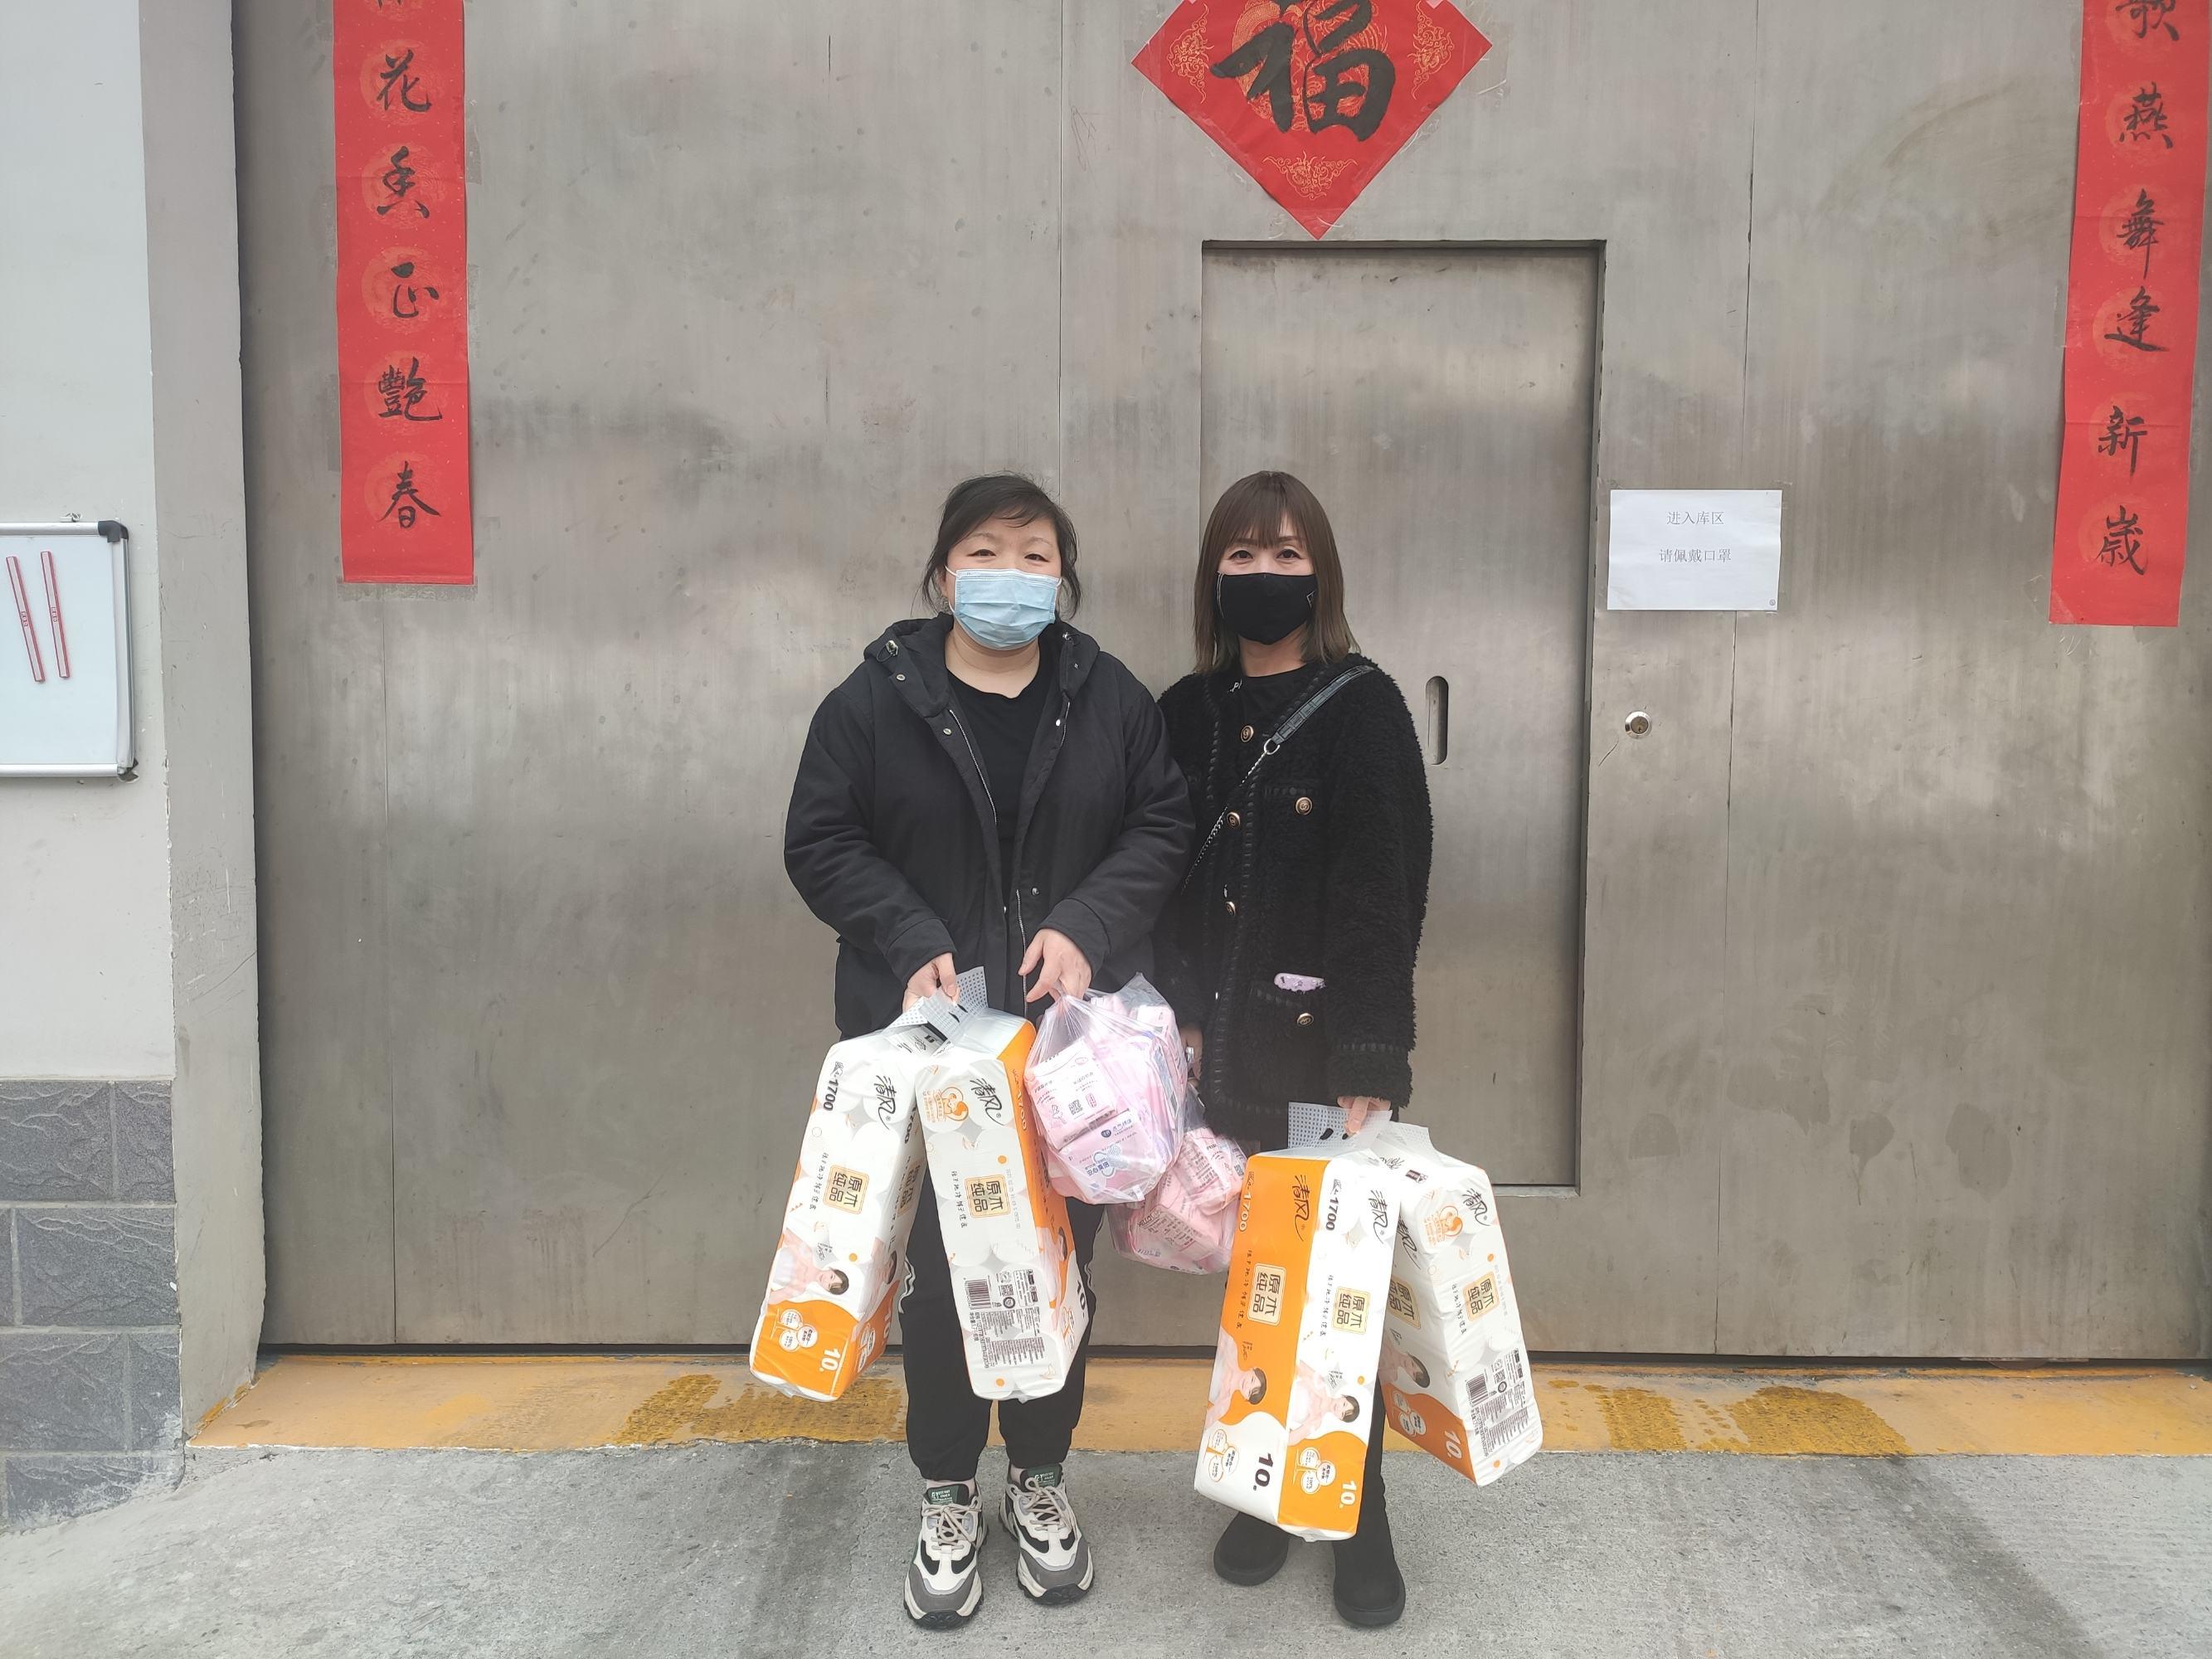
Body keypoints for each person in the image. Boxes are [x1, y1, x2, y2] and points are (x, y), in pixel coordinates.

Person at [785, 474, 1194, 1630]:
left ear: (1064, 578)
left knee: (1057, 1267)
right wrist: (907, 931)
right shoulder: (875, 699)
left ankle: (1042, 1475)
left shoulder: (1108, 697)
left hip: (1067, 1059)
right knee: (942, 1278)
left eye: (1034, 555)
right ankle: (949, 1487)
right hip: (932, 1049)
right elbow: (821, 836)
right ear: (940, 572)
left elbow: (1162, 823)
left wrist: (1089, 925)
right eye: (983, 551)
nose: (1008, 575)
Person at [1155, 469, 1434, 1630]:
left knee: (1337, 1294)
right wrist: (1175, 1008)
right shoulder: (1184, 709)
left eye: (1285, 557)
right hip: (1217, 1051)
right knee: (1259, 1284)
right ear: (1211, 576)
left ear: (1320, 575)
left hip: (1319, 1058)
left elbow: (1384, 890)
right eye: (1242, 557)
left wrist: (1370, 1053)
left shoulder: (1363, 706)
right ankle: (1269, 1487)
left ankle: (1359, 1508)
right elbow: (1159, 870)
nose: (1263, 577)